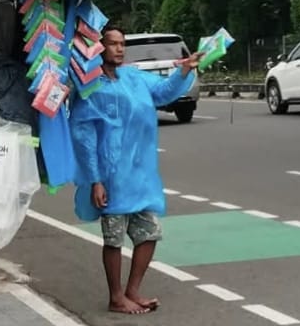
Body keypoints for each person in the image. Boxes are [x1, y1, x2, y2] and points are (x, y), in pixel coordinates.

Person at [69, 25, 201, 315]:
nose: (119, 49)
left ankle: (132, 290)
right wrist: (95, 180)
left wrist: (184, 70)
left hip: (140, 175)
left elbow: (163, 92)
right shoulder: (91, 86)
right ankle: (116, 298)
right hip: (111, 176)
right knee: (114, 238)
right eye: (113, 43)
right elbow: (83, 134)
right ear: (100, 48)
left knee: (150, 233)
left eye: (122, 44)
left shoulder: (133, 77)